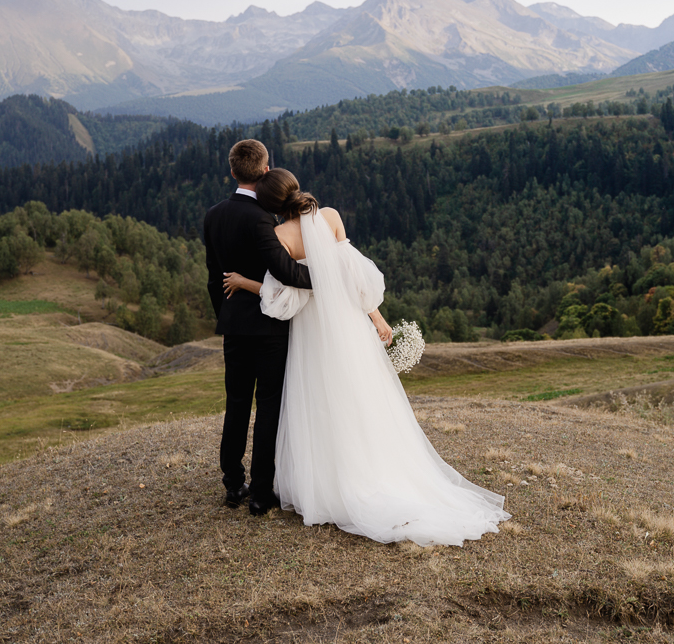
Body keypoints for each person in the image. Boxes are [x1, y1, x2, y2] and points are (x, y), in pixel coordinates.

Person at [222, 168, 509, 546]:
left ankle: (329, 482)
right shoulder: (331, 217)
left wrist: (244, 282)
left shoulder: (279, 236)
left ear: (272, 205)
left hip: (313, 331)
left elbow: (283, 299)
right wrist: (376, 316)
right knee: (359, 396)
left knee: (321, 400)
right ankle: (375, 467)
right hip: (348, 326)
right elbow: (355, 276)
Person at [203, 140, 314, 517]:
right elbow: (285, 272)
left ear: (233, 172)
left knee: (235, 404)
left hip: (234, 325)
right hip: (269, 328)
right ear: (265, 170)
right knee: (268, 406)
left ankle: (233, 482)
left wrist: (227, 313)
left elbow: (212, 279)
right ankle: (260, 493)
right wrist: (332, 277)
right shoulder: (262, 219)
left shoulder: (213, 215)